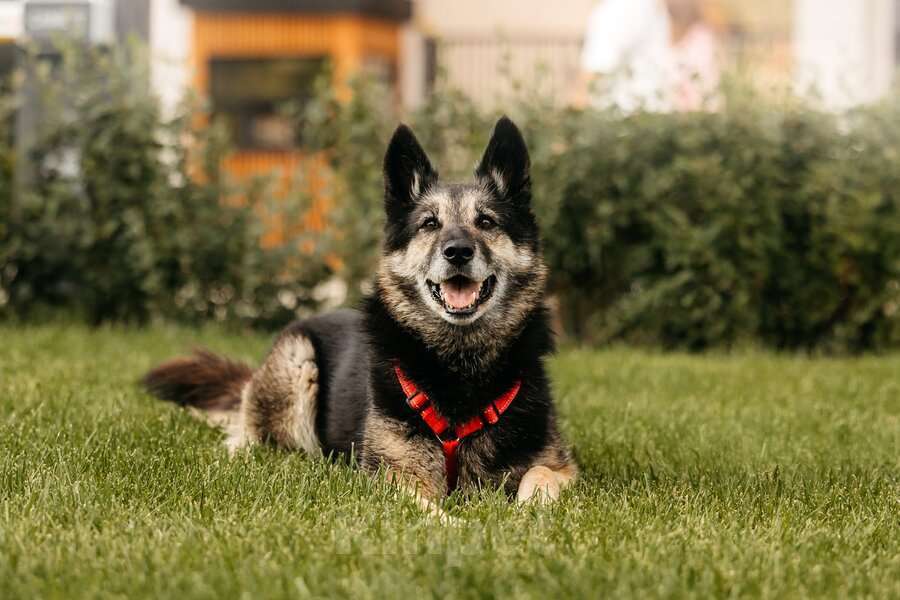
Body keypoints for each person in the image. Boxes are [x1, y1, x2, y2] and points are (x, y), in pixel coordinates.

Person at [578, 0, 719, 112]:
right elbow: (592, 75)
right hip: (626, 120)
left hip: (653, 119)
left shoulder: (656, 10)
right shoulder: (622, 9)